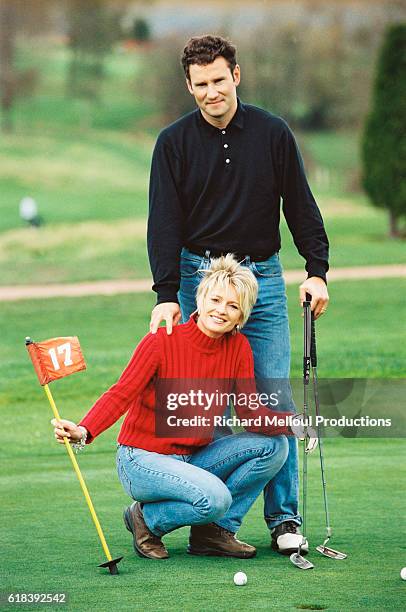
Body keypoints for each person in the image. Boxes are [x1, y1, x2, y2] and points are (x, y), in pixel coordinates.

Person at [147, 35, 329, 555]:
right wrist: (165, 293)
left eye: (218, 80)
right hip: (197, 281)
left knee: (271, 399)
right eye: (200, 85)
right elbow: (163, 223)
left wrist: (317, 269)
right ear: (189, 85)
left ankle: (282, 519)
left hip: (262, 283)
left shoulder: (272, 133)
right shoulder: (173, 143)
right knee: (201, 407)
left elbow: (300, 204)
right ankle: (194, 515)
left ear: (237, 76)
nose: (211, 92)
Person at [52, 256, 314, 561]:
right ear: (200, 300)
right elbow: (121, 392)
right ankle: (145, 520)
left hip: (190, 459)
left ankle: (214, 533)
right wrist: (85, 429)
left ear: (243, 313)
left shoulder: (238, 347)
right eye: (215, 299)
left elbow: (250, 414)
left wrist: (297, 423)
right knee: (216, 498)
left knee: (275, 447)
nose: (221, 310)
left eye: (233, 305)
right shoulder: (162, 341)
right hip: (141, 460)